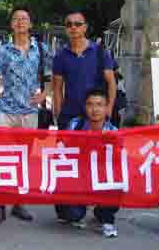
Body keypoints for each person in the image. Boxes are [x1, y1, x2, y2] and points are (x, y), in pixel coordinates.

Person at [0, 6, 51, 225]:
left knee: (24, 159)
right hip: (6, 110)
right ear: (11, 24)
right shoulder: (2, 51)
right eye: (16, 18)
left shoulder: (40, 49)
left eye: (24, 18)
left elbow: (50, 77)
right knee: (3, 158)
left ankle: (19, 202)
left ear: (30, 23)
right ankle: (0, 205)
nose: (20, 22)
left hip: (30, 112)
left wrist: (44, 94)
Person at [55, 89, 119, 238]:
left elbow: (119, 162)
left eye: (99, 105)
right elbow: (60, 152)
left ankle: (105, 217)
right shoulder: (75, 125)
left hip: (101, 178)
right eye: (90, 104)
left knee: (117, 181)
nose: (95, 109)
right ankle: (71, 209)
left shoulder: (113, 131)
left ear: (106, 108)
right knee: (73, 214)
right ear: (85, 107)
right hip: (77, 176)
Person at [52, 11, 117, 130]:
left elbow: (111, 82)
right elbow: (57, 88)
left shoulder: (100, 52)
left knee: (96, 143)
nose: (73, 27)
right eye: (69, 24)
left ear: (85, 27)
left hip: (96, 114)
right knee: (68, 143)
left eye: (77, 24)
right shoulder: (60, 56)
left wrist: (109, 107)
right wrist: (58, 114)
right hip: (69, 114)